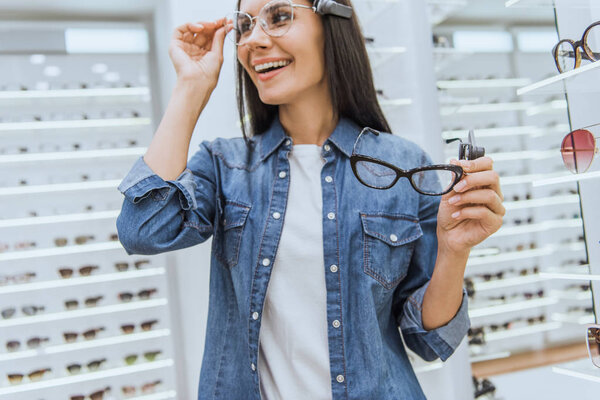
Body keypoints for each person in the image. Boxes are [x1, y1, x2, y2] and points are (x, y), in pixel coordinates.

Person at [116, 0, 505, 398]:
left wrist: (455, 250)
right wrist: (191, 86)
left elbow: (430, 338)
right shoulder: (225, 165)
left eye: (279, 17)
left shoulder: (403, 165)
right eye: (244, 27)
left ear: (331, 24)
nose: (254, 40)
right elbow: (142, 228)